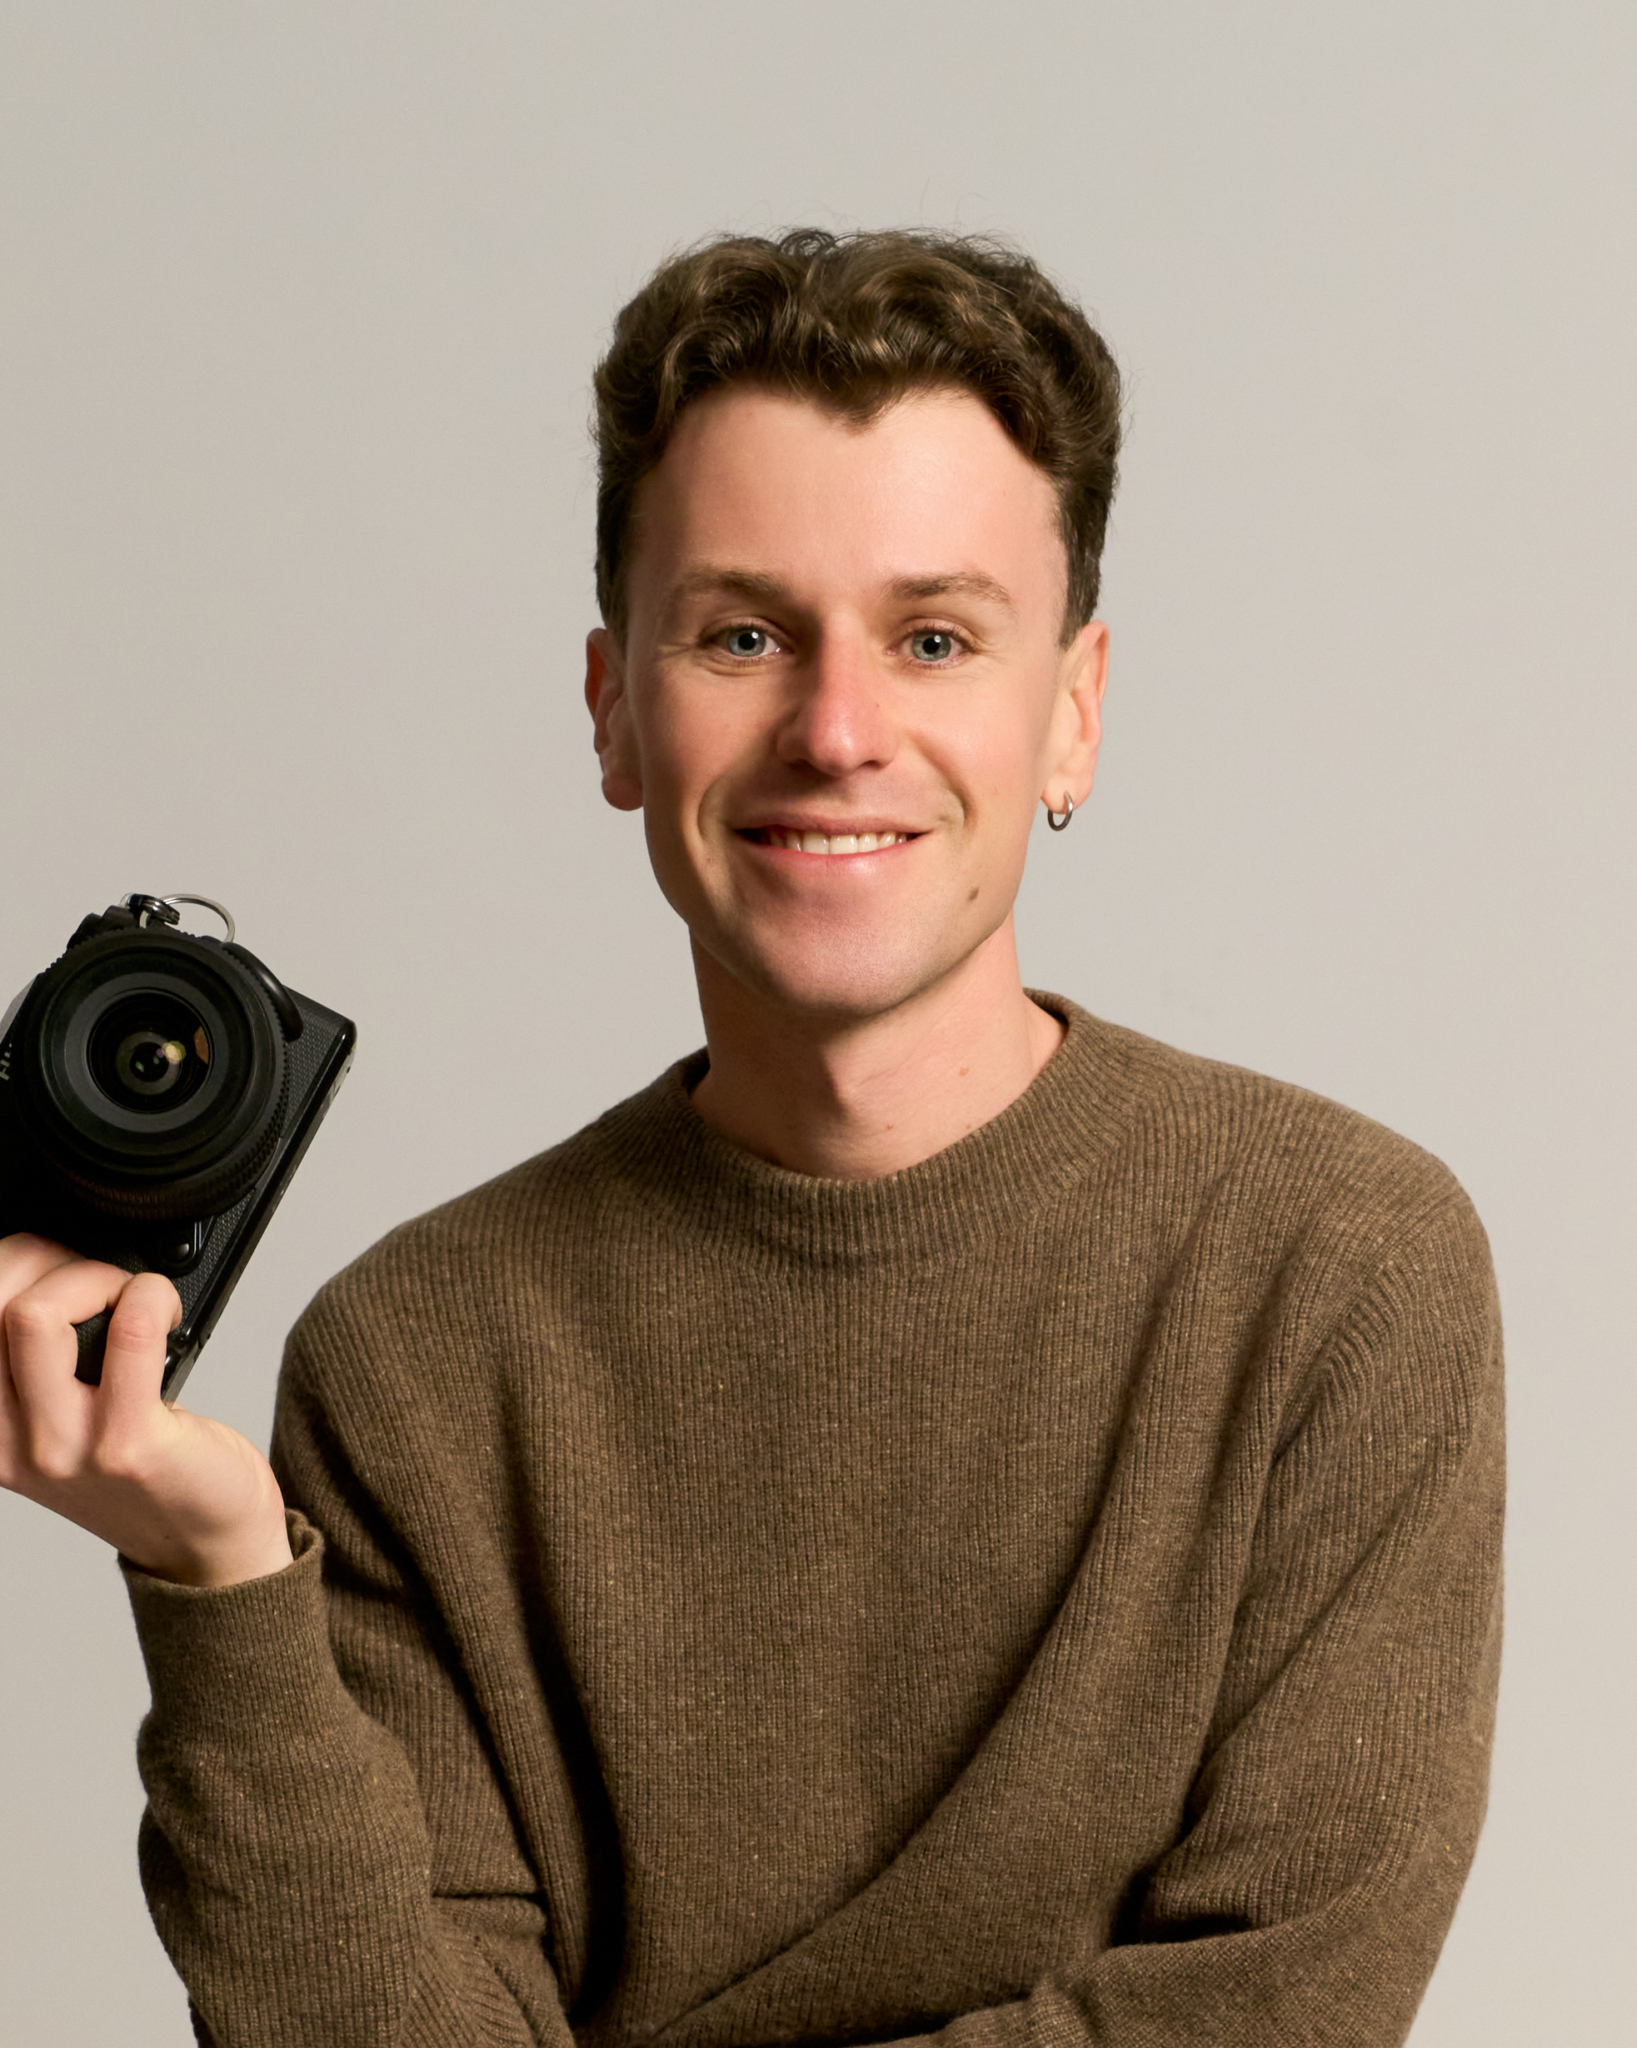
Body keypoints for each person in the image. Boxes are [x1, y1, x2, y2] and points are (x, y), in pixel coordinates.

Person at [0, 229, 1503, 2048]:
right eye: (740, 635)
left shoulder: (1334, 1266)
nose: (838, 730)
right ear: (615, 710)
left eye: (934, 638)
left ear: (1074, 711)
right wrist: (217, 1576)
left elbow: (1274, 2004)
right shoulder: (418, 1360)